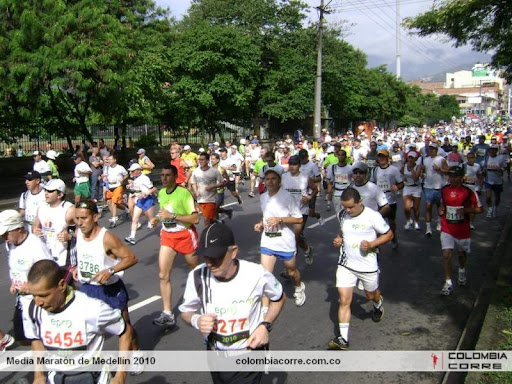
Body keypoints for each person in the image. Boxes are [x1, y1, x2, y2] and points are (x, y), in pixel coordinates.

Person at [180, 222, 286, 383]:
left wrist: (265, 326)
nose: (209, 262)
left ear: (233, 252)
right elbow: (186, 312)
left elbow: (279, 297)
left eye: (216, 256)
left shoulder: (256, 274)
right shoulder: (197, 276)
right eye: (205, 256)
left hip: (248, 355)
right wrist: (196, 320)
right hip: (215, 355)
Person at [26, 259, 133, 384]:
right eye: (34, 295)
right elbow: (36, 340)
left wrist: (121, 375)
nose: (38, 302)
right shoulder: (34, 310)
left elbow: (126, 332)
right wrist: (39, 375)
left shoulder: (92, 308)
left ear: (62, 285)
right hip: (56, 378)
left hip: (93, 378)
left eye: (44, 295)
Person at [72, 200, 143, 375]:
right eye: (77, 218)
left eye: (84, 218)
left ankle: (136, 356)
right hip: (88, 289)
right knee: (89, 330)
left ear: (95, 217)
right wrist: (77, 267)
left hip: (110, 291)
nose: (80, 223)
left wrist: (111, 270)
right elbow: (83, 253)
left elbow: (131, 258)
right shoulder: (78, 232)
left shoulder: (107, 238)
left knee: (124, 327)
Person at [328, 188, 393, 350]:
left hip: (367, 265)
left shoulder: (373, 216)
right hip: (346, 264)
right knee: (344, 300)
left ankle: (378, 304)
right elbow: (342, 231)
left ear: (359, 203)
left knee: (370, 295)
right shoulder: (342, 215)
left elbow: (388, 234)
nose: (348, 210)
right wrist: (339, 239)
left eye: (351, 207)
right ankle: (343, 339)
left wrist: (372, 244)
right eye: (345, 207)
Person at [151, 165, 200, 327]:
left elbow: (195, 219)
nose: (163, 178)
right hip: (168, 236)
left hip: (185, 235)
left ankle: (206, 298)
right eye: (162, 175)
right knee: (162, 275)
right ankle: (168, 313)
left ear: (175, 177)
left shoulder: (184, 193)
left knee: (197, 271)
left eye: (167, 175)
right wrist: (157, 219)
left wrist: (172, 216)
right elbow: (163, 212)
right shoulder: (162, 193)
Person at [254, 168, 305, 307]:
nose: (270, 182)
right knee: (265, 274)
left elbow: (299, 219)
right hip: (268, 241)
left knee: (291, 271)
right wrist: (260, 223)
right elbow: (265, 214)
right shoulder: (263, 196)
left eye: (273, 179)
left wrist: (280, 220)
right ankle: (264, 309)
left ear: (279, 181)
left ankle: (299, 287)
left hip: (284, 241)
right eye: (267, 179)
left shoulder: (287, 197)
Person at [0, 210, 52, 346]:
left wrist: (31, 285)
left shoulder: (35, 246)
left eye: (6, 233)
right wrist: (14, 282)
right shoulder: (11, 245)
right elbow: (16, 267)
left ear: (18, 229)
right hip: (21, 299)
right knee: (23, 339)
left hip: (38, 300)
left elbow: (50, 271)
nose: (4, 238)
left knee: (40, 336)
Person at [438, 166, 482, 295]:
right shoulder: (445, 189)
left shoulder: (469, 191)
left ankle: (462, 270)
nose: (452, 179)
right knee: (446, 254)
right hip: (447, 227)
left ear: (462, 177)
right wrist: (441, 210)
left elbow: (480, 209)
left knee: (462, 254)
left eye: (455, 176)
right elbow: (442, 205)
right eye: (450, 176)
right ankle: (448, 282)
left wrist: (467, 210)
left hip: (462, 228)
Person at [281, 155, 318, 265]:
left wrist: (309, 197)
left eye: (294, 164)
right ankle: (307, 250)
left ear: (299, 165)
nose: (292, 167)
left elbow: (315, 189)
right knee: (292, 236)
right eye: (290, 164)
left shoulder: (305, 178)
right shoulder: (283, 177)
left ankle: (289, 268)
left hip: (301, 211)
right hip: (287, 211)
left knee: (294, 237)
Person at [33, 179, 75, 268]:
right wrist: (35, 230)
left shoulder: (69, 209)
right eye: (45, 190)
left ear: (60, 194)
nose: (46, 193)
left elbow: (85, 230)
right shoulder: (41, 207)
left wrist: (70, 236)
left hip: (64, 256)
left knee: (64, 282)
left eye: (50, 191)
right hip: (46, 255)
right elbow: (35, 226)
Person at [371, 149, 404, 248]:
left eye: (383, 157)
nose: (381, 159)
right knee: (376, 222)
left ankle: (393, 236)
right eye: (380, 157)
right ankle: (376, 244)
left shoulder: (393, 170)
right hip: (378, 200)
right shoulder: (375, 170)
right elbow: (371, 183)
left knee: (391, 221)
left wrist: (397, 187)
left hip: (390, 200)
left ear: (387, 158)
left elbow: (401, 182)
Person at [124, 163, 157, 245]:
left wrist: (145, 194)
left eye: (132, 171)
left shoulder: (144, 178)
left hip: (147, 200)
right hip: (139, 201)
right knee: (135, 218)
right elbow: (137, 188)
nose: (131, 173)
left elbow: (153, 189)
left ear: (138, 171)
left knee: (152, 221)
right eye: (130, 171)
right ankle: (132, 237)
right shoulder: (135, 179)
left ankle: (164, 231)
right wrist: (130, 186)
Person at [190, 152, 226, 227]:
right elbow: (193, 182)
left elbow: (222, 183)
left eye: (202, 160)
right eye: (199, 160)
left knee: (206, 220)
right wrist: (196, 191)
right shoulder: (196, 171)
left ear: (207, 161)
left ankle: (206, 236)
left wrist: (213, 186)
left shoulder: (214, 171)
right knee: (209, 219)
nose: (200, 161)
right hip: (200, 199)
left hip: (211, 199)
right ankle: (218, 223)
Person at [423, 143, 449, 237]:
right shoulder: (425, 160)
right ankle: (428, 228)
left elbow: (448, 170)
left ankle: (439, 222)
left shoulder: (441, 159)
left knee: (440, 207)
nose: (431, 150)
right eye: (430, 149)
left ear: (436, 150)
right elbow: (424, 171)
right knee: (428, 207)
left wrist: (440, 169)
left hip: (439, 186)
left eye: (433, 149)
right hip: (428, 186)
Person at [298, 149, 323, 225]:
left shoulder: (312, 165)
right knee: (299, 212)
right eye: (301, 158)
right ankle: (300, 231)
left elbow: (319, 178)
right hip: (300, 191)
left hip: (311, 191)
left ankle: (317, 215)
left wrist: (310, 181)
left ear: (307, 157)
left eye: (304, 157)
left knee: (311, 213)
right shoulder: (298, 165)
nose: (303, 159)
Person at [104, 153, 129, 227]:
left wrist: (123, 179)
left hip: (117, 186)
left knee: (114, 203)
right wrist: (102, 177)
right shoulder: (107, 168)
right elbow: (105, 176)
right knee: (110, 202)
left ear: (115, 160)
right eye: (108, 159)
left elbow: (126, 174)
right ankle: (126, 209)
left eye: (110, 159)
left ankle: (114, 219)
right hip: (109, 186)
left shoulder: (120, 168)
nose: (109, 161)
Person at [483, 144, 508, 218]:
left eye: (494, 149)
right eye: (491, 149)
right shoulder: (487, 158)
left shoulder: (500, 158)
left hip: (498, 181)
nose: (492, 151)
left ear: (497, 150)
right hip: (488, 180)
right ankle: (490, 209)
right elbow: (484, 166)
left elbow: (505, 167)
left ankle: (495, 208)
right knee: (488, 197)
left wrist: (500, 170)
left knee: (497, 197)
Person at [326, 149, 353, 213]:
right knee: (338, 214)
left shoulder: (350, 168)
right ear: (337, 156)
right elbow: (328, 179)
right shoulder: (332, 167)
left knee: (347, 212)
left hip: (347, 193)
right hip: (336, 194)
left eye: (342, 155)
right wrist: (329, 187)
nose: (341, 157)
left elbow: (354, 179)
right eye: (339, 155)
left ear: (345, 157)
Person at [402, 152, 423, 230]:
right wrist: (403, 178)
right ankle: (408, 220)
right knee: (407, 208)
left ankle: (416, 222)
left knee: (416, 208)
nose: (410, 159)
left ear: (415, 159)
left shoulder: (418, 167)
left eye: (412, 158)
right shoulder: (404, 166)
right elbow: (401, 172)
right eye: (409, 157)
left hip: (416, 188)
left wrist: (411, 169)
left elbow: (415, 178)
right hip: (407, 187)